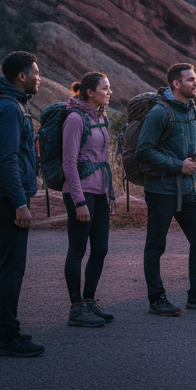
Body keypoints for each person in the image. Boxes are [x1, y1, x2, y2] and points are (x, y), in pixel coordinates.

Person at [136, 63, 196, 316]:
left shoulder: (195, 112)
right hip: (161, 189)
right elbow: (144, 150)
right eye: (191, 80)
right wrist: (178, 165)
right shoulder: (159, 113)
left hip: (187, 190)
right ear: (176, 84)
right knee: (156, 246)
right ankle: (156, 299)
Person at [0, 51, 45, 356]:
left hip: (0, 194)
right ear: (22, 76)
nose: (39, 77)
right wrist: (20, 204)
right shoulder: (8, 107)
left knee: (0, 263)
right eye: (35, 72)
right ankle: (8, 337)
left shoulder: (7, 103)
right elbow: (6, 159)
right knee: (11, 268)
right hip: (6, 196)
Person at [62, 72, 116, 327]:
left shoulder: (101, 117)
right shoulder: (75, 118)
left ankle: (89, 301)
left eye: (109, 88)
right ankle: (76, 308)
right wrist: (79, 201)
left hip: (100, 192)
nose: (109, 92)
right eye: (105, 88)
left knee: (101, 249)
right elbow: (69, 163)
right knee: (77, 250)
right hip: (81, 193)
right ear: (89, 92)